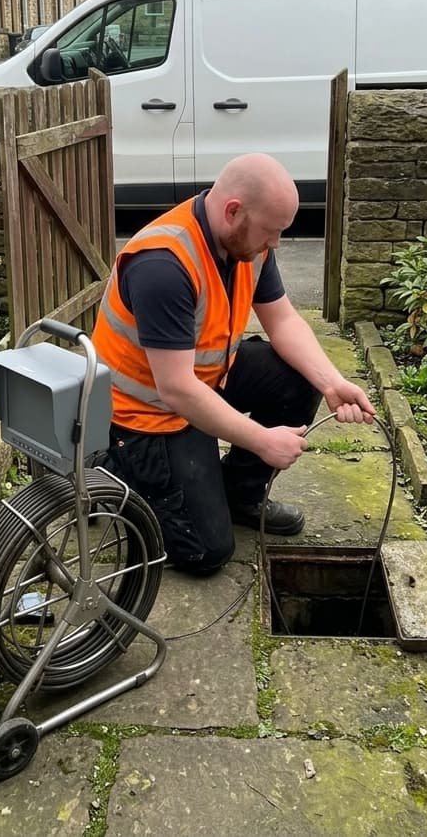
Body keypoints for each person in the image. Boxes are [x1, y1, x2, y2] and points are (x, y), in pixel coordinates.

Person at [92, 153, 376, 576]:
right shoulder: (163, 264)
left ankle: (238, 492)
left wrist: (333, 382)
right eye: (272, 232)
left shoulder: (248, 242)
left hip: (204, 382)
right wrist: (263, 441)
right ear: (233, 211)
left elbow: (283, 321)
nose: (277, 243)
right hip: (147, 415)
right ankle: (111, 471)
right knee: (206, 552)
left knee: (298, 377)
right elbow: (176, 389)